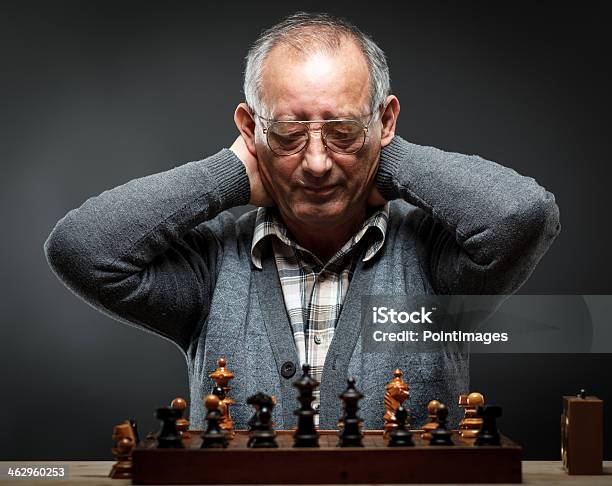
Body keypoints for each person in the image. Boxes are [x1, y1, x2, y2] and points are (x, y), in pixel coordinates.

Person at [43, 12, 560, 429]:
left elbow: (522, 215)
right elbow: (82, 249)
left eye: (342, 130)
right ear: (249, 127)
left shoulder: (435, 262)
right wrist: (231, 174)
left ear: (386, 121)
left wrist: (391, 161)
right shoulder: (210, 269)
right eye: (288, 133)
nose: (316, 162)